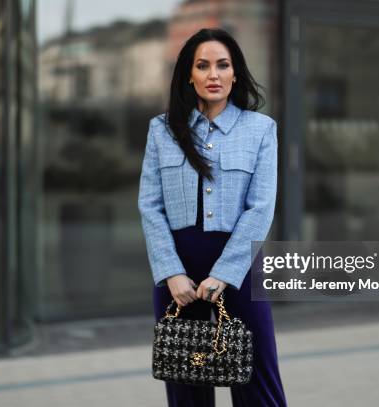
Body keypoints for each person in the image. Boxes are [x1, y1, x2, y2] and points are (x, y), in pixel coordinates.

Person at [138, 28, 287, 407]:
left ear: (235, 73)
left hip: (239, 271)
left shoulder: (261, 130)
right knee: (185, 385)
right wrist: (171, 272)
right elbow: (150, 205)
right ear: (189, 75)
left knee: (258, 383)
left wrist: (224, 274)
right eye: (202, 66)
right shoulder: (162, 130)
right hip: (177, 276)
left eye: (223, 65)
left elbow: (261, 207)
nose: (213, 74)